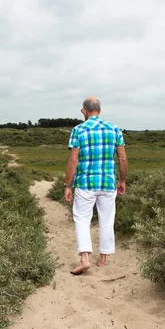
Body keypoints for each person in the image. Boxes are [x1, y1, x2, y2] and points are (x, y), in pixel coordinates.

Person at [64, 97, 128, 275]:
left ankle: (84, 258)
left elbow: (73, 159)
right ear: (99, 110)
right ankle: (102, 259)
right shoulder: (114, 129)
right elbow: (122, 158)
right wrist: (122, 180)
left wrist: (67, 185)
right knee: (107, 220)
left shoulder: (78, 130)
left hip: (85, 183)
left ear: (85, 110)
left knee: (82, 219)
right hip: (108, 182)